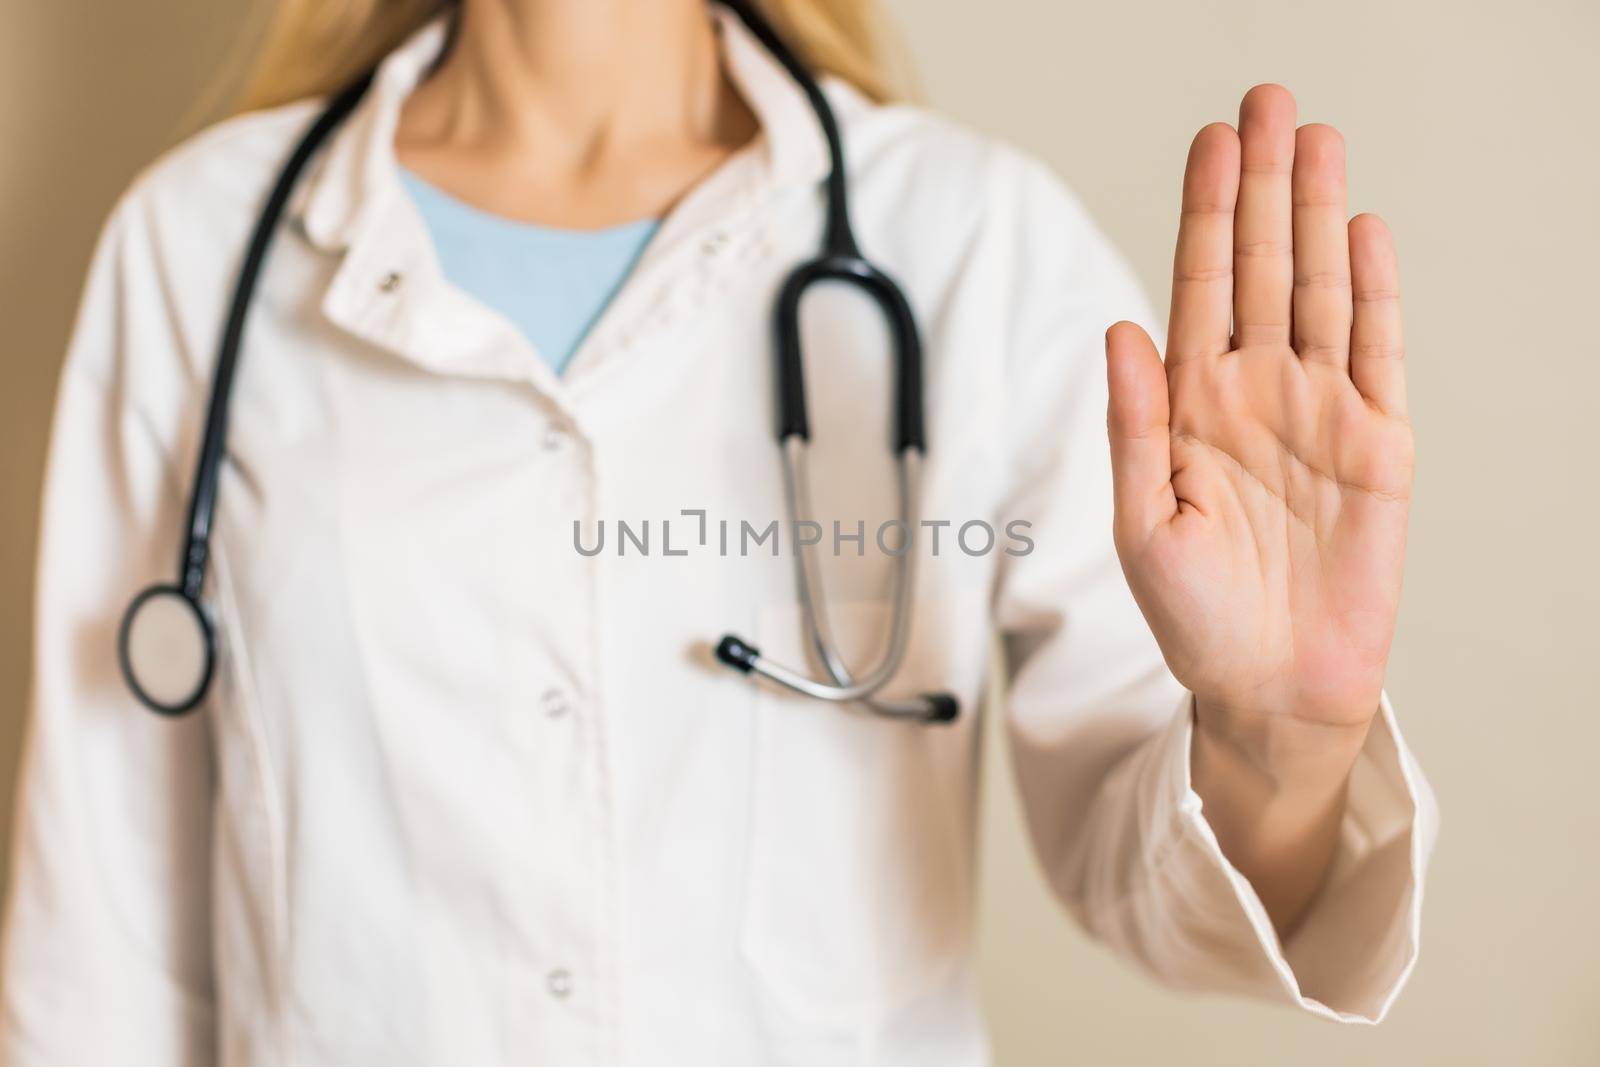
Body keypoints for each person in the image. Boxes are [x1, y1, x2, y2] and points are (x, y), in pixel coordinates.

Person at [0, 0, 1436, 1062]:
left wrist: (1275, 735)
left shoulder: (972, 245)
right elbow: (99, 968)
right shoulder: (198, 252)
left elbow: (1155, 886)